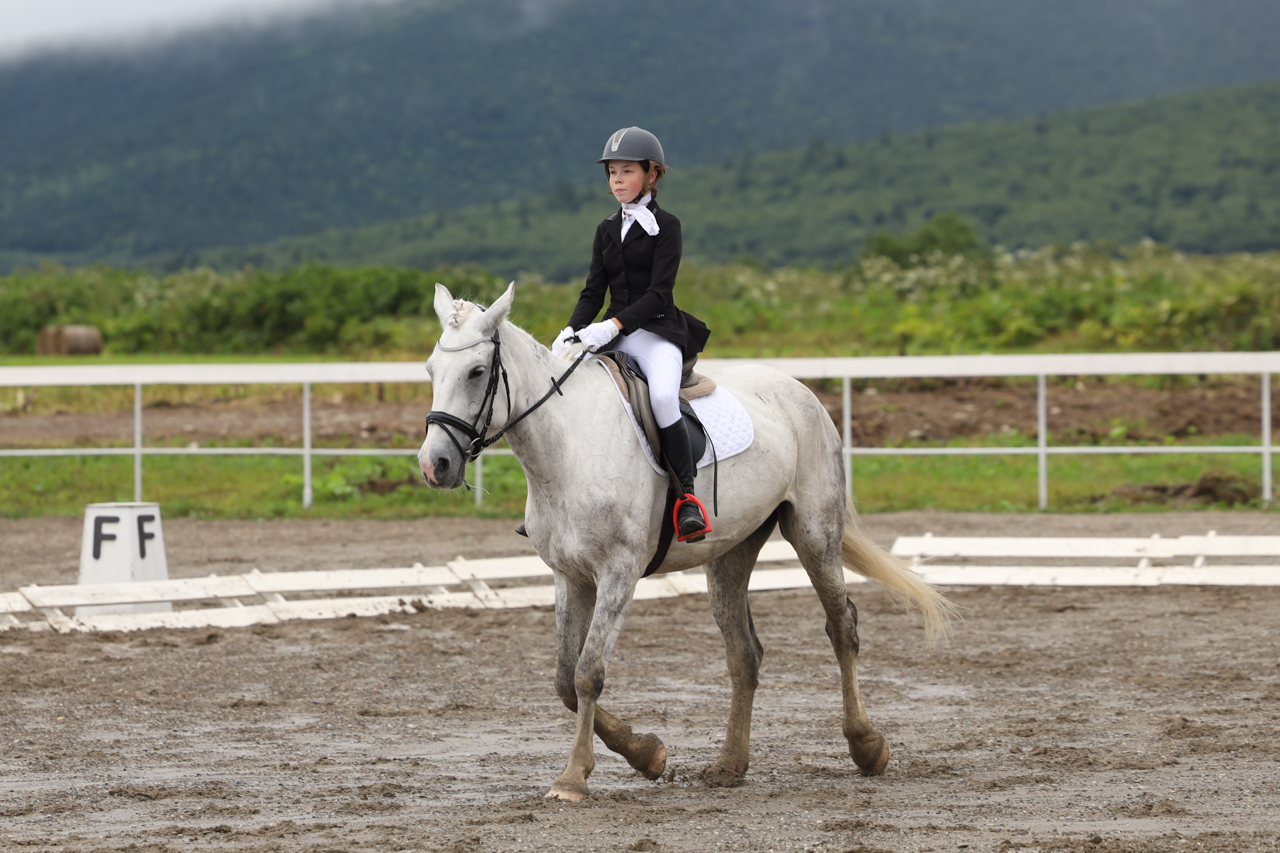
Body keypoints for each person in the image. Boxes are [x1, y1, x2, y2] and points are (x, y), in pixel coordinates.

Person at [551, 126, 712, 543]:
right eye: (612, 173)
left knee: (661, 397)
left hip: (657, 331)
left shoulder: (667, 226)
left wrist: (613, 325)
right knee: (565, 389)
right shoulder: (606, 229)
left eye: (626, 171)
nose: (617, 180)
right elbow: (593, 291)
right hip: (612, 332)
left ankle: (687, 499)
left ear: (652, 175)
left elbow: (660, 293)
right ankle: (557, 500)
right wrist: (571, 329)